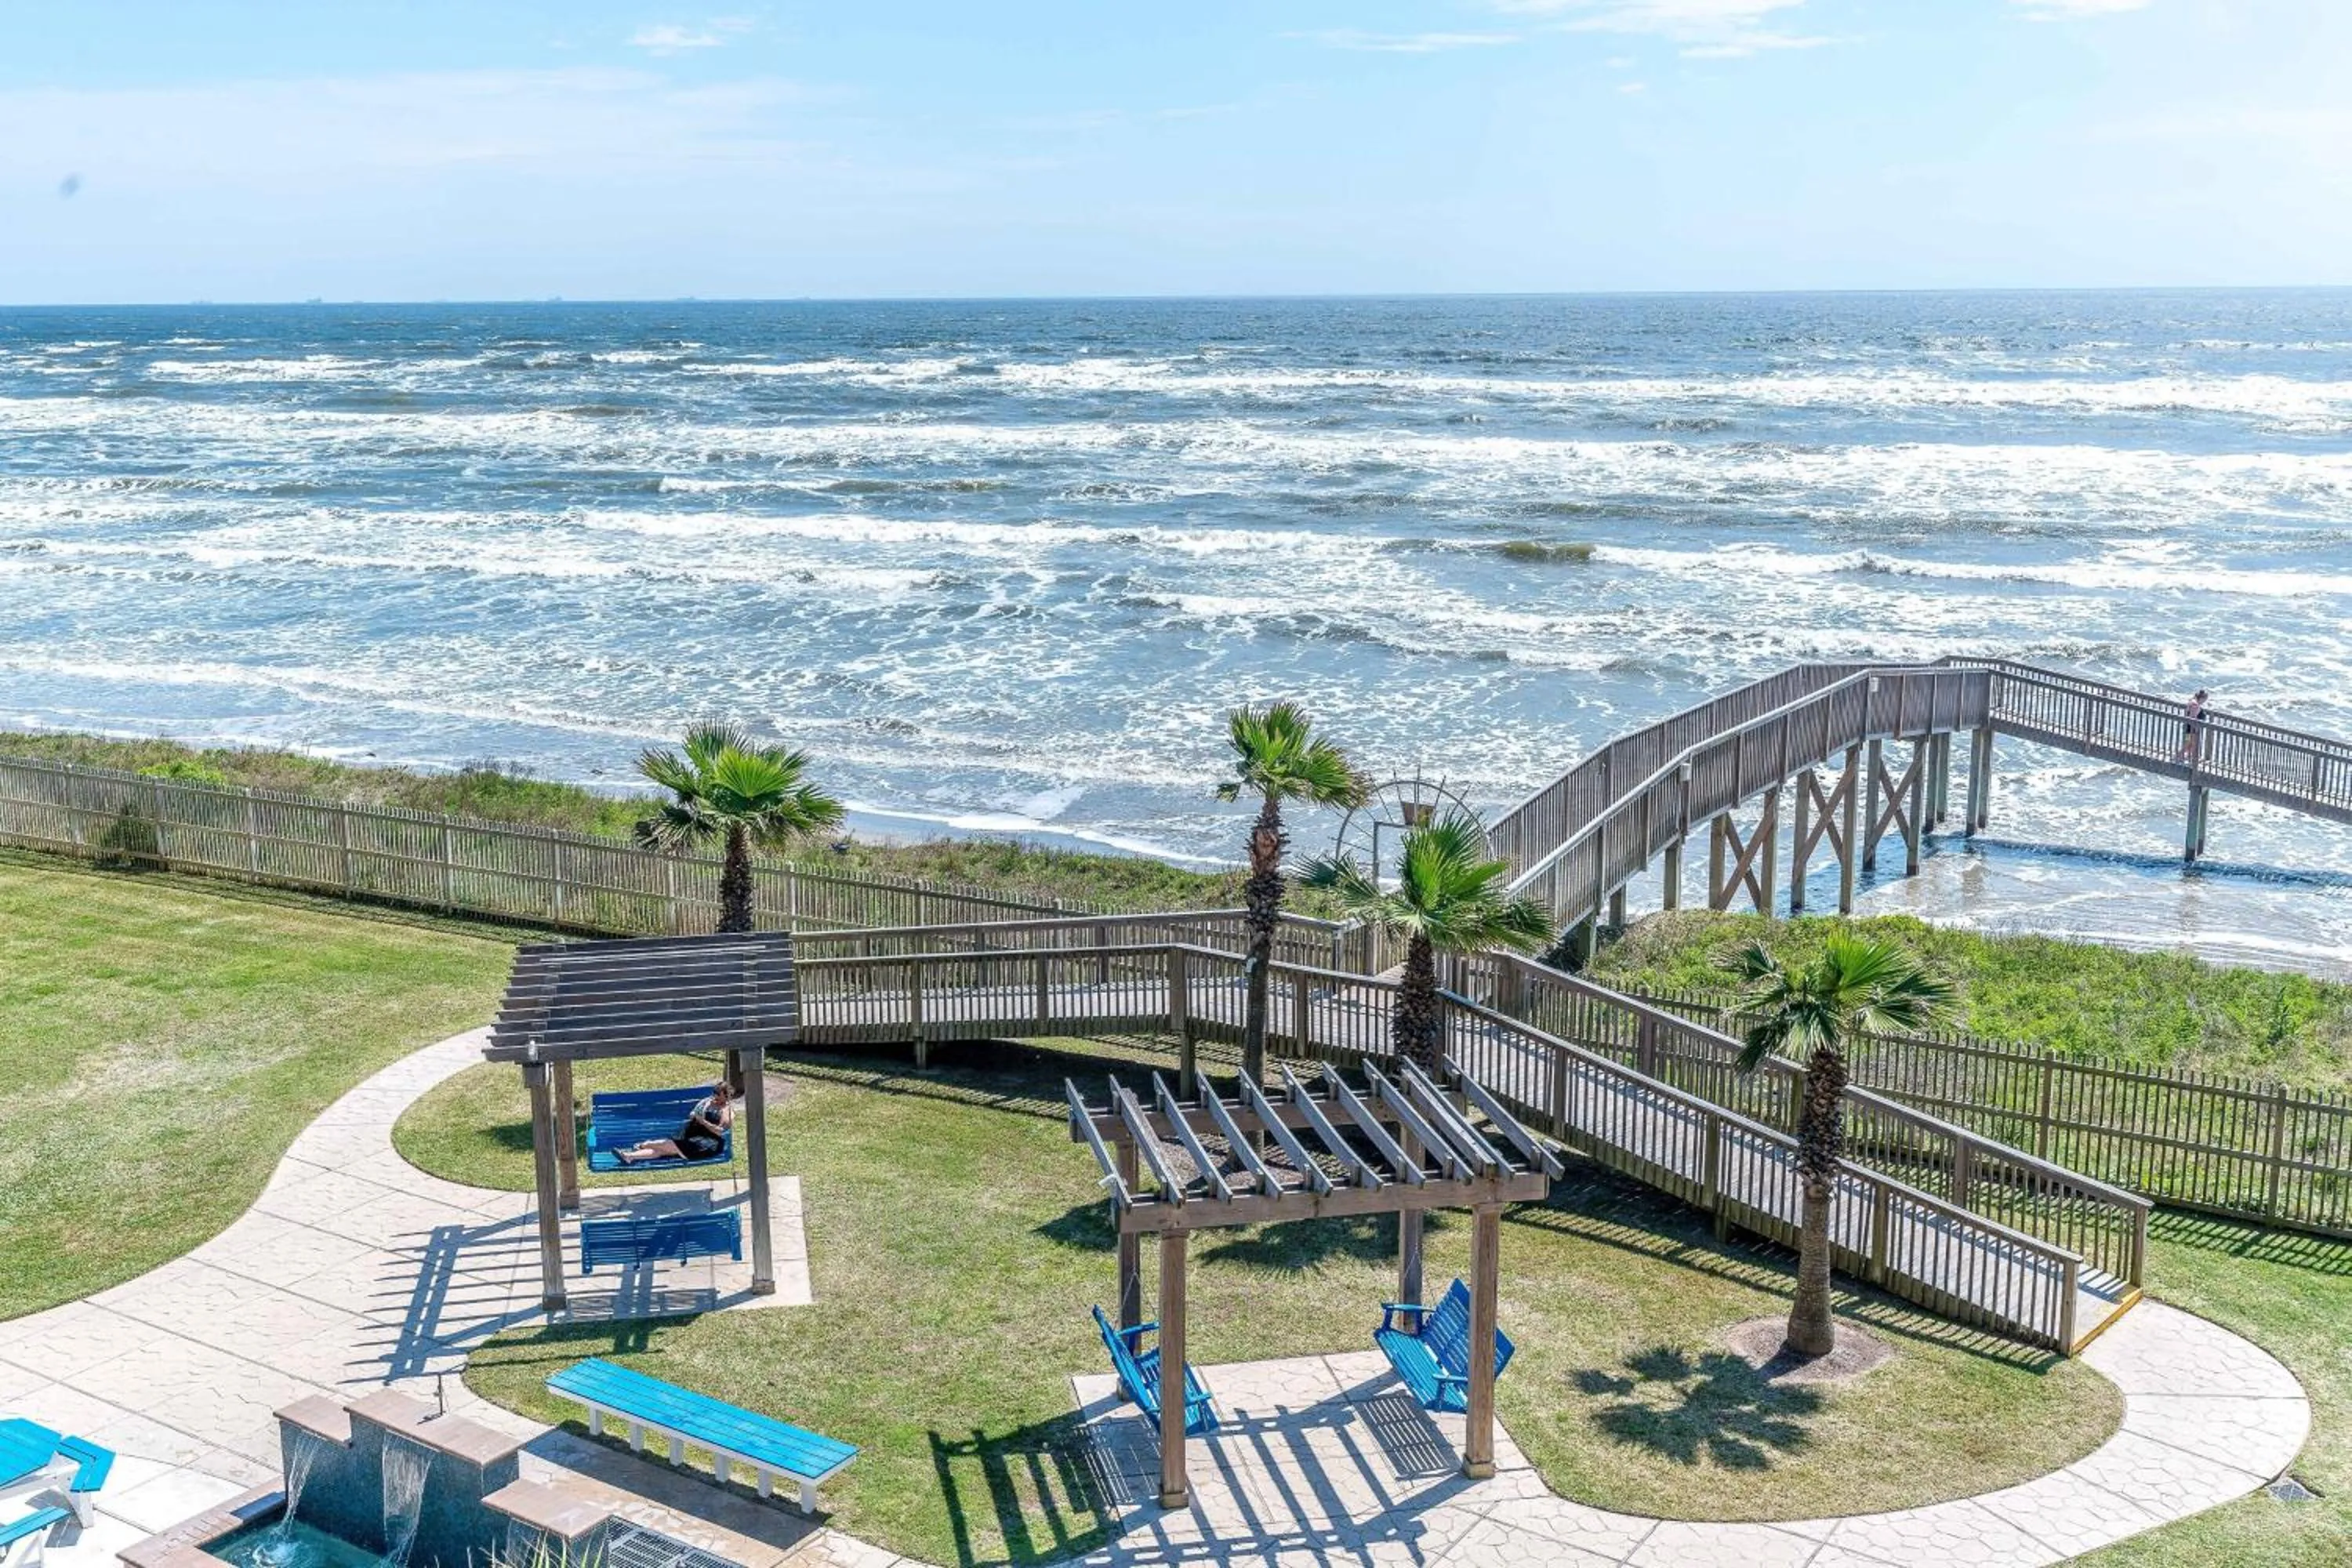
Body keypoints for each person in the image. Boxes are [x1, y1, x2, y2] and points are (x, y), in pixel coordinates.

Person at [619, 1080, 732, 1163]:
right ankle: (630, 1156)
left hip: (708, 1143)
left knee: (669, 1145)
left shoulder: (727, 1110)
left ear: (726, 1096)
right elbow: (693, 1114)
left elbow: (720, 1132)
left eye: (718, 1094)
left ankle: (643, 1145)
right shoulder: (707, 1102)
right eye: (714, 1092)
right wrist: (695, 1115)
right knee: (661, 1150)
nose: (714, 1096)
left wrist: (703, 1122)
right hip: (693, 1137)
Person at [2175, 689, 2209, 765]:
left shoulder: (2192, 702)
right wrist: (2195, 726)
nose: (2205, 701)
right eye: (2205, 699)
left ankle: (2187, 757)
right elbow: (2192, 717)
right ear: (2202, 698)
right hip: (2192, 729)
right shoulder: (2195, 705)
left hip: (2189, 727)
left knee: (2189, 744)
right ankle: (2180, 756)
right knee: (2190, 744)